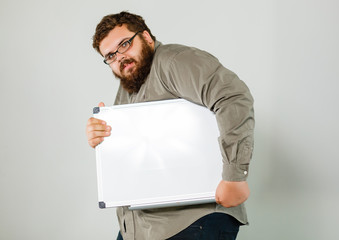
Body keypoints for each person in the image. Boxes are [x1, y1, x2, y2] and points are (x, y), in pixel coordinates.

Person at [86, 11, 255, 240]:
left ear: (146, 37)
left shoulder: (173, 62)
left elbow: (233, 97)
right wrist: (103, 137)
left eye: (125, 44)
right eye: (110, 56)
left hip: (192, 222)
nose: (120, 58)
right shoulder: (129, 87)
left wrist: (234, 176)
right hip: (143, 228)